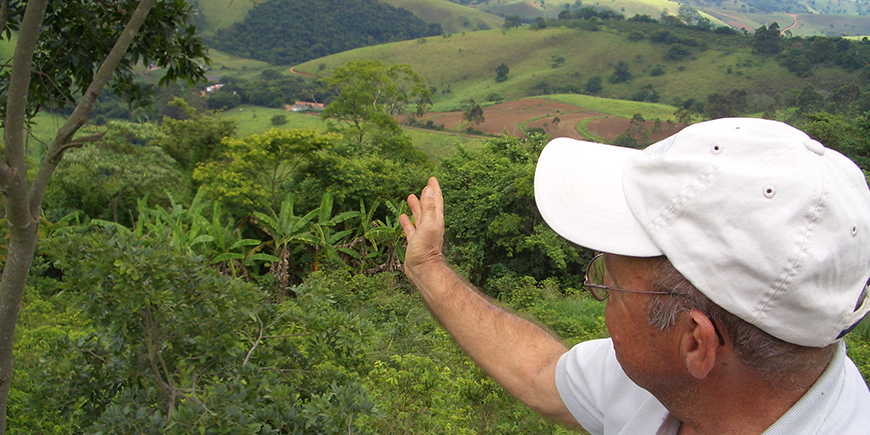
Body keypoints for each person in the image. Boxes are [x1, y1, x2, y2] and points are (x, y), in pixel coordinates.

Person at [399, 117, 870, 435]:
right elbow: (542, 373)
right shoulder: (666, 378)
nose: (601, 297)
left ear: (695, 342)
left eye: (609, 284)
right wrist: (429, 268)